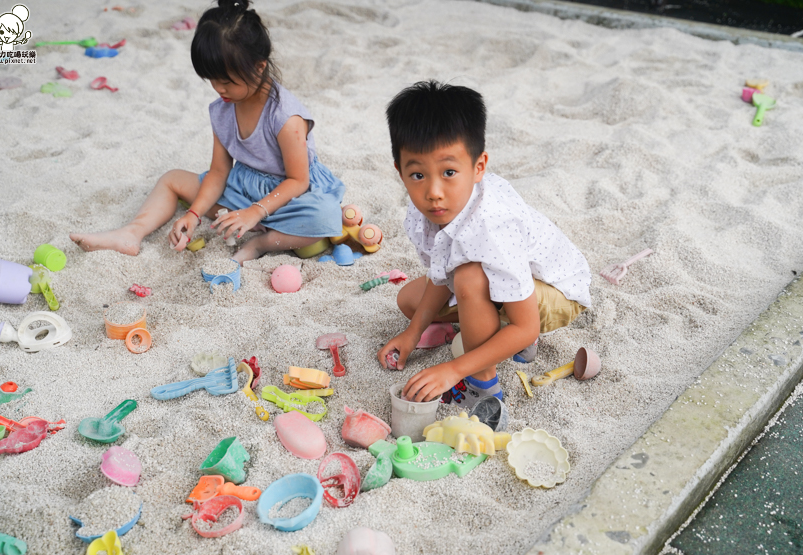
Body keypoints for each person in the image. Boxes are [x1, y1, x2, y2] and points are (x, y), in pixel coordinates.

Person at [70, 0, 345, 264]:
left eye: (226, 81)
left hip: (290, 195)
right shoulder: (223, 109)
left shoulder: (285, 117)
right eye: (211, 79)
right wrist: (193, 214)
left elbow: (298, 180)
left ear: (259, 67)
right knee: (171, 179)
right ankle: (132, 233)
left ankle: (260, 242)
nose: (218, 88)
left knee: (326, 215)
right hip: (244, 188)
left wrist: (254, 212)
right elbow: (218, 172)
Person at [376, 81, 591, 404]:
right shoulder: (425, 211)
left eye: (449, 172)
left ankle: (484, 385)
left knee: (469, 276)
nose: (433, 192)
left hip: (555, 292)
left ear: (478, 167)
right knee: (410, 300)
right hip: (506, 281)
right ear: (400, 171)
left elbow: (527, 325)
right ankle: (487, 336)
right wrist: (413, 333)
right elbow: (442, 269)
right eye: (418, 175)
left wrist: (453, 369)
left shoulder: (492, 226)